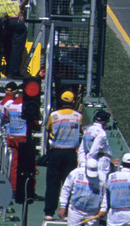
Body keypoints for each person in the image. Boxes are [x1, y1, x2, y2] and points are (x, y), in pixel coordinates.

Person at [45, 91, 84, 220]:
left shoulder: (54, 115)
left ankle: (49, 212)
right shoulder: (78, 116)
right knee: (69, 184)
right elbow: (81, 129)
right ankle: (66, 212)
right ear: (73, 102)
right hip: (71, 153)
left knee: (52, 183)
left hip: (56, 152)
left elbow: (48, 129)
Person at [0, 82, 30, 200]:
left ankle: (13, 188)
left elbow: (5, 117)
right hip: (22, 136)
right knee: (26, 164)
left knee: (13, 164)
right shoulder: (25, 105)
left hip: (10, 135)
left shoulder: (5, 104)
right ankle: (24, 189)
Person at [98, 153, 130, 225]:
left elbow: (107, 194)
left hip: (115, 214)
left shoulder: (111, 177)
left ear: (122, 163)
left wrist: (103, 209)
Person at [58, 158, 105, 226]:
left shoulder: (102, 177)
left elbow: (105, 194)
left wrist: (103, 209)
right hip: (75, 210)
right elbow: (66, 188)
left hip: (92, 212)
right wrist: (63, 205)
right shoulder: (75, 173)